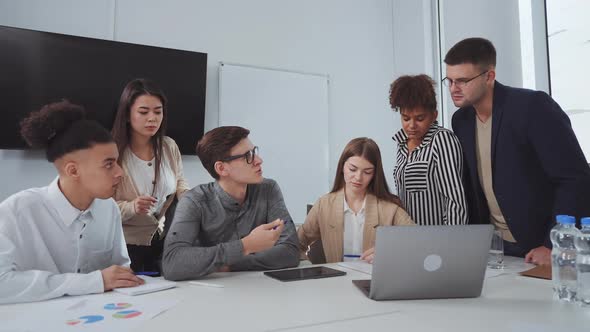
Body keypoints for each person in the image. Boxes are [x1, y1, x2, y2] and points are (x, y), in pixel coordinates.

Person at [444, 37, 590, 265]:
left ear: (489, 76)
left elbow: (574, 178)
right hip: (494, 251)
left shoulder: (532, 107)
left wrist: (553, 244)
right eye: (450, 81)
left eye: (463, 81)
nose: (454, 89)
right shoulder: (460, 120)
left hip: (540, 248)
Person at [0, 100, 143, 304]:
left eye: (117, 161)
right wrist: (91, 282)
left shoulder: (108, 208)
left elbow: (119, 273)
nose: (120, 172)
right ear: (73, 170)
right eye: (109, 164)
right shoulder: (16, 211)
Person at [162, 126, 299, 280]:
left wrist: (229, 264)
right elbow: (172, 263)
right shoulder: (194, 201)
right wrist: (245, 246)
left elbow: (290, 251)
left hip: (260, 290)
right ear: (221, 168)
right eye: (248, 156)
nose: (259, 160)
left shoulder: (268, 189)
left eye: (255, 151)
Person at [112, 79, 189, 273]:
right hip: (123, 245)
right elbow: (98, 206)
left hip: (162, 241)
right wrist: (131, 207)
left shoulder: (168, 146)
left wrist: (187, 195)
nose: (152, 118)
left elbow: (179, 180)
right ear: (128, 114)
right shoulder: (112, 152)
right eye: (144, 112)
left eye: (158, 111)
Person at [298, 138, 413, 264]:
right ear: (342, 167)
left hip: (374, 282)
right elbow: (294, 245)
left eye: (367, 172)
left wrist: (391, 253)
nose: (358, 177)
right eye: (353, 169)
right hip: (335, 283)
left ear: (374, 174)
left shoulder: (390, 208)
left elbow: (420, 244)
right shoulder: (323, 205)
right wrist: (307, 269)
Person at [389, 74, 468, 226]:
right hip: (409, 236)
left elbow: (455, 200)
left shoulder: (442, 140)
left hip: (437, 240)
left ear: (434, 115)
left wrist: (452, 242)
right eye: (406, 118)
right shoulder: (401, 145)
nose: (411, 125)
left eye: (419, 119)